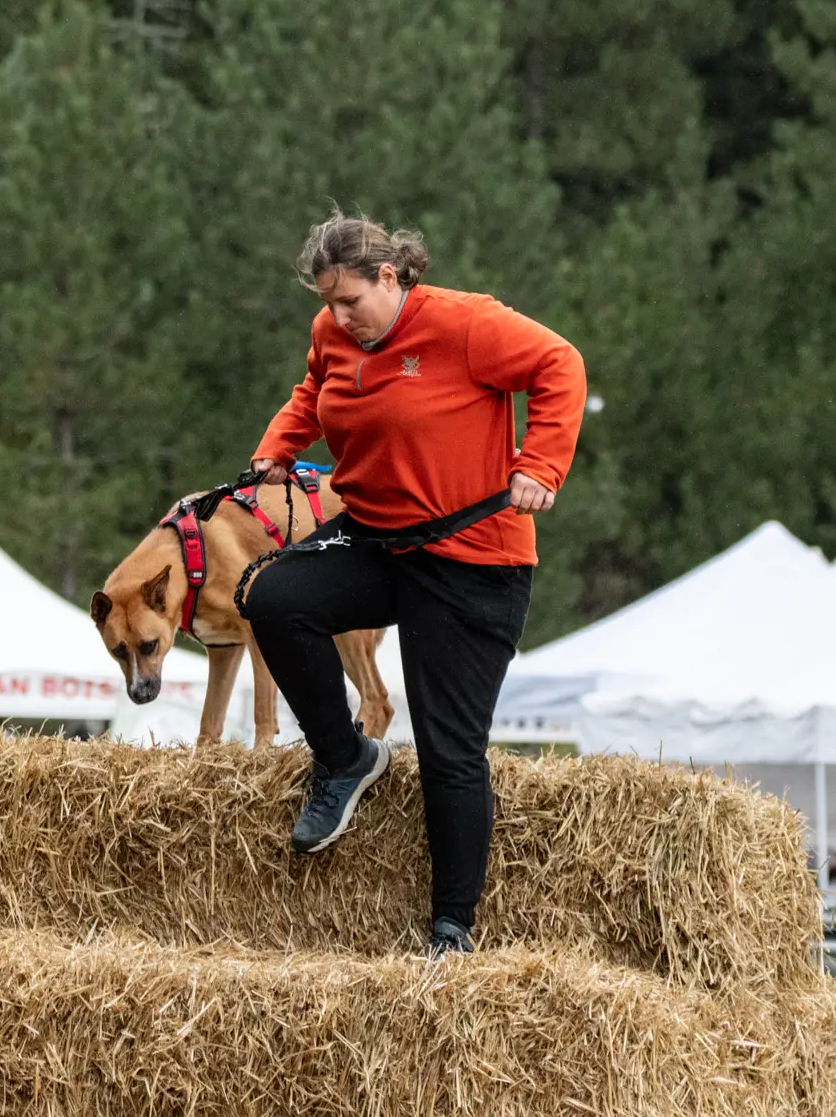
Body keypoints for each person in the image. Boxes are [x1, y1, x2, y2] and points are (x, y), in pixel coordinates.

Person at [240, 209, 586, 958]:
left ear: (389, 276)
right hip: (377, 537)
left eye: (349, 300)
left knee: (447, 747)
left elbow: (560, 366)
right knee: (272, 598)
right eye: (328, 302)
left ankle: (451, 927)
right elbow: (313, 389)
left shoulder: (465, 325)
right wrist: (278, 448)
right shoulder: (334, 331)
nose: (338, 317)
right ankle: (345, 757)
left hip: (473, 556)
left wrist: (538, 465)